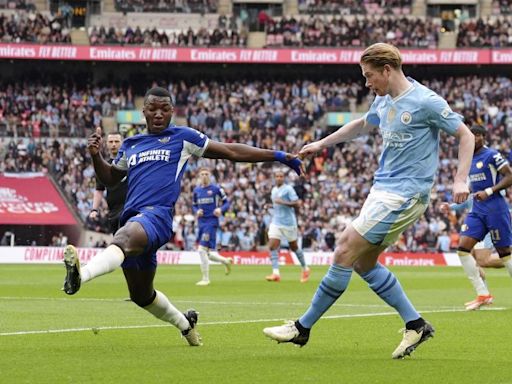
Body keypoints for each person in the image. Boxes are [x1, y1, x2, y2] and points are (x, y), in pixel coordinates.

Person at [262, 43, 474, 359]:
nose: (367, 83)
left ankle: (302, 327)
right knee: (363, 263)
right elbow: (363, 124)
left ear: (387, 70)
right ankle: (415, 324)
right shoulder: (383, 99)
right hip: (382, 191)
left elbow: (465, 135)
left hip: (406, 194)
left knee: (345, 248)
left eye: (369, 75)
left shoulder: (425, 101)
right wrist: (322, 142)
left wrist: (460, 178)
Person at [62, 86, 302, 347]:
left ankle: (80, 276)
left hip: (157, 217)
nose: (158, 114)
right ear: (143, 112)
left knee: (124, 237)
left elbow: (231, 152)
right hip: (134, 221)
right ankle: (186, 325)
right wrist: (96, 156)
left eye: (164, 109)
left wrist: (279, 156)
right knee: (142, 295)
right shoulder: (130, 145)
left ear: (172, 112)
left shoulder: (183, 137)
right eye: (152, 109)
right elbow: (110, 178)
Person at [439, 125, 512, 310]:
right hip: (477, 210)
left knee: (504, 253)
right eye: (472, 135)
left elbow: (509, 177)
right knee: (462, 249)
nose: (475, 138)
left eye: (478, 135)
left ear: (484, 137)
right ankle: (482, 294)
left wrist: (489, 191)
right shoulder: (468, 159)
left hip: (496, 209)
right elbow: (471, 191)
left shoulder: (492, 155)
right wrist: (453, 205)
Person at [265, 169, 310, 283]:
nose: (279, 178)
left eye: (281, 176)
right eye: (277, 176)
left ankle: (305, 268)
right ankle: (276, 273)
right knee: (272, 246)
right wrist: (269, 206)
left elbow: (297, 203)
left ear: (284, 178)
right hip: (276, 221)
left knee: (294, 247)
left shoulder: (288, 189)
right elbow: (277, 205)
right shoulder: (274, 190)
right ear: (274, 178)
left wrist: (283, 202)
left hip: (289, 223)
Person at [193, 167, 233, 286]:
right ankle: (225, 261)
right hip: (201, 222)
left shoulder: (216, 189)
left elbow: (227, 202)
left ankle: (206, 279)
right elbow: (194, 205)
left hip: (211, 222)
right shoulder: (196, 191)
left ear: (209, 176)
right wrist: (196, 211)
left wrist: (220, 209)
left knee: (201, 250)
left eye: (206, 174)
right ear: (199, 177)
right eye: (202, 174)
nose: (204, 176)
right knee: (208, 253)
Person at [89, 131, 127, 234]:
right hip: (113, 212)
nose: (113, 144)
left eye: (116, 141)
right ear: (106, 144)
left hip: (129, 209)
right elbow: (99, 189)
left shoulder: (131, 162)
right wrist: (94, 210)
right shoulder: (103, 166)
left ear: (122, 143)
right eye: (110, 141)